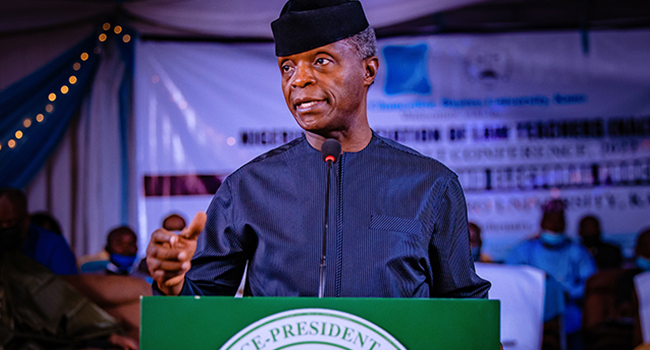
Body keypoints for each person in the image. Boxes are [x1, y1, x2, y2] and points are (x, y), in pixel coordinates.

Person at [147, 0, 490, 299]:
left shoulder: (431, 184)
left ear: (368, 70)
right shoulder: (246, 189)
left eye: (321, 61)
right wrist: (173, 284)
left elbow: (465, 310)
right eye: (287, 66)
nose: (298, 80)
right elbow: (201, 308)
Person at [505, 198, 597, 349]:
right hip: (532, 313)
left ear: (565, 224)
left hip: (569, 315)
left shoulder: (577, 251)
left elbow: (591, 282)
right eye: (550, 221)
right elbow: (511, 279)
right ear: (541, 224)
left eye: (558, 222)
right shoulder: (524, 250)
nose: (554, 226)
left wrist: (570, 293)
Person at [0, 187, 78, 275]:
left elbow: (66, 285)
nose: (5, 228)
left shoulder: (53, 247)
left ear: (26, 220)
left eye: (11, 223)